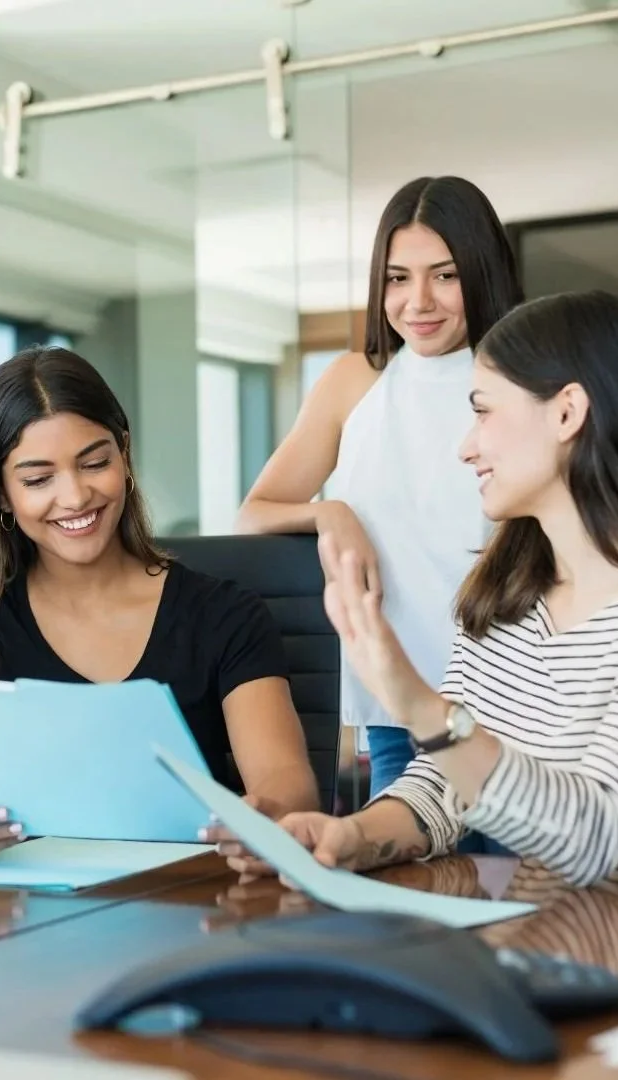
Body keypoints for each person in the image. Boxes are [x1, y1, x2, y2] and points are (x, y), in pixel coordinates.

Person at [213, 291, 618, 887]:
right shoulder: (508, 591)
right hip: (556, 930)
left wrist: (413, 699)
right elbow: (445, 786)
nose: (465, 446)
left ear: (566, 413)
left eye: (482, 412)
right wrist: (351, 836)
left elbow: (593, 835)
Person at [0, 346, 319, 863]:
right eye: (38, 479)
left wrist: (268, 819)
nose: (76, 496)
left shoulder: (224, 615)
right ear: (0, 493)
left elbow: (288, 784)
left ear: (124, 455)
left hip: (188, 902)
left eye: (95, 463)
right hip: (22, 905)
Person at [235, 176, 522, 798]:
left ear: (481, 271)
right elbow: (252, 515)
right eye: (398, 278)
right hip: (394, 701)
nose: (418, 301)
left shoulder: (523, 376)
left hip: (512, 700)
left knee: (518, 885)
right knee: (404, 882)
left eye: (445, 275)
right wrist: (329, 512)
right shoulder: (353, 380)